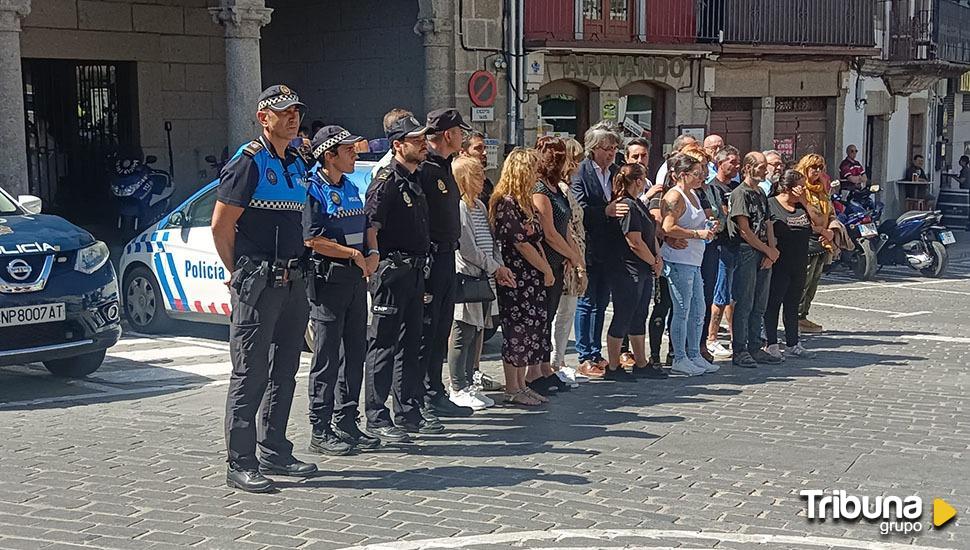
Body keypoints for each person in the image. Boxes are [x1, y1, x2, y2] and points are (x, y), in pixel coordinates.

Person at [212, 85, 317, 493]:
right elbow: (221, 225)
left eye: (296, 110)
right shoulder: (248, 162)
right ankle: (240, 461)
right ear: (263, 117)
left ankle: (274, 447)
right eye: (283, 111)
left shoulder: (294, 160)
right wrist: (237, 270)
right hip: (260, 282)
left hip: (293, 281)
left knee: (285, 371)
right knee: (250, 373)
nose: (292, 117)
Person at [302, 125, 381, 456]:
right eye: (348, 150)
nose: (355, 154)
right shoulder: (313, 190)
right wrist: (353, 254)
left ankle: (347, 420)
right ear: (329, 156)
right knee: (327, 357)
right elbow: (311, 239)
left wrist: (373, 251)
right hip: (328, 282)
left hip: (354, 280)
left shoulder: (351, 187)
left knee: (354, 354)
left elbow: (366, 227)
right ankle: (320, 428)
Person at [363, 111, 438, 443]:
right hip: (393, 272)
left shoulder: (414, 179)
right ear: (397, 145)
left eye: (424, 139)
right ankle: (377, 416)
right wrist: (378, 264)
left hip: (415, 271)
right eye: (417, 140)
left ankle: (408, 410)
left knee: (410, 344)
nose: (423, 145)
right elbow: (371, 227)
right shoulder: (386, 182)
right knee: (383, 344)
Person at [416, 108, 475, 419]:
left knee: (441, 329)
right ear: (449, 135)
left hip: (446, 255)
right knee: (429, 330)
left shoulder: (445, 167)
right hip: (432, 256)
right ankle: (425, 394)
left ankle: (435, 391)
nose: (463, 137)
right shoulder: (426, 169)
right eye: (459, 132)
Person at [448, 157, 515, 410]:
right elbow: (467, 247)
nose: (482, 179)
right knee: (462, 332)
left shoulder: (479, 205)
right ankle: (458, 386)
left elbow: (490, 240)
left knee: (477, 332)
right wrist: (493, 266)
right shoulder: (461, 206)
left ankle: (468, 382)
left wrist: (498, 265)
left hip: (485, 276)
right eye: (476, 175)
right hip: (469, 276)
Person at [492, 148, 555, 406]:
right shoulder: (506, 203)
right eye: (532, 169)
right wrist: (546, 269)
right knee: (516, 331)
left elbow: (536, 239)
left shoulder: (525, 202)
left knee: (531, 330)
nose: (536, 174)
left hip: (532, 277)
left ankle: (521, 384)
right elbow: (520, 244)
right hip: (516, 277)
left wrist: (544, 269)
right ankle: (512, 387)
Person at [571, 123, 628, 377]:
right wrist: (604, 211)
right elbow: (578, 207)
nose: (611, 153)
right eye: (607, 148)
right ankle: (585, 355)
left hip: (611, 248)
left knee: (602, 302)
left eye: (615, 148)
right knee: (587, 302)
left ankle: (596, 353)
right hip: (589, 246)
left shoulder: (616, 171)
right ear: (593, 148)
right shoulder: (581, 172)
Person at [531, 136, 581, 395]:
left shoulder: (557, 188)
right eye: (555, 156)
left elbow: (566, 227)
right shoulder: (539, 189)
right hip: (545, 261)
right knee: (541, 319)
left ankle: (545, 368)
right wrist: (571, 255)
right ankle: (535, 372)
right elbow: (549, 233)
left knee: (549, 317)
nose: (560, 160)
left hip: (559, 261)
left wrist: (575, 255)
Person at [660, 154, 718, 376]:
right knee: (682, 310)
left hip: (694, 260)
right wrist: (697, 233)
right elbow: (667, 227)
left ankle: (694, 354)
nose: (701, 177)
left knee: (698, 310)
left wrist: (709, 226)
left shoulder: (693, 193)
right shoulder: (675, 196)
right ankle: (679, 357)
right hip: (679, 260)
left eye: (702, 173)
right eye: (696, 174)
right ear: (682, 175)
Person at [605, 163, 665, 380]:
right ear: (638, 181)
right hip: (627, 270)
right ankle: (613, 367)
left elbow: (650, 233)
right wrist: (652, 261)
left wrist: (657, 257)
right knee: (623, 315)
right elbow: (635, 242)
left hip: (643, 269)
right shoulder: (626, 206)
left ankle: (641, 362)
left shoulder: (639, 203)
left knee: (639, 315)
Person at [727, 152, 780, 368]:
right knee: (745, 301)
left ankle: (755, 345)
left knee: (760, 302)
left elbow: (768, 222)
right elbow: (744, 230)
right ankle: (740, 348)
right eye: (760, 166)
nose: (764, 170)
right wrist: (766, 249)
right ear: (748, 168)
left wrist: (772, 250)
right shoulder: (740, 193)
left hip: (763, 250)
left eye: (765, 166)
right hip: (747, 250)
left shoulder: (760, 192)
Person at [763, 169, 823, 361]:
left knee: (792, 303)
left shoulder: (801, 206)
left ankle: (792, 343)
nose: (804, 189)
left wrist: (805, 201)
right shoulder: (772, 204)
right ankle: (771, 343)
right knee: (773, 303)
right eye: (800, 186)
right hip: (779, 263)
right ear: (788, 188)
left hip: (799, 261)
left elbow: (819, 220)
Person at [552, 139, 592, 382]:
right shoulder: (560, 189)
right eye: (575, 160)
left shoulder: (566, 187)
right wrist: (573, 257)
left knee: (568, 309)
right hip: (568, 254)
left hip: (576, 249)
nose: (578, 166)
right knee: (561, 311)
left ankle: (559, 360)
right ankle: (554, 361)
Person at [701, 146, 738, 361]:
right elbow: (719, 217)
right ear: (720, 164)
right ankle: (711, 338)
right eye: (731, 161)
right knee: (719, 294)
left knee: (731, 296)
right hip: (719, 246)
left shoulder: (733, 186)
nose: (736, 166)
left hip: (732, 245)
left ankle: (734, 337)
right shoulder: (713, 188)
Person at [795, 154, 836, 334]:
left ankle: (804, 315)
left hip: (822, 241)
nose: (817, 172)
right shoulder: (799, 190)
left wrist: (832, 230)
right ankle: (795, 316)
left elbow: (830, 211)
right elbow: (799, 216)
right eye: (813, 168)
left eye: (820, 168)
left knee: (814, 282)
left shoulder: (822, 190)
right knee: (803, 281)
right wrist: (821, 230)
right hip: (806, 240)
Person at [460, 130, 494, 206]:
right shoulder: (456, 182)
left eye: (484, 148)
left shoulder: (487, 184)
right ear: (463, 152)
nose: (485, 152)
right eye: (478, 148)